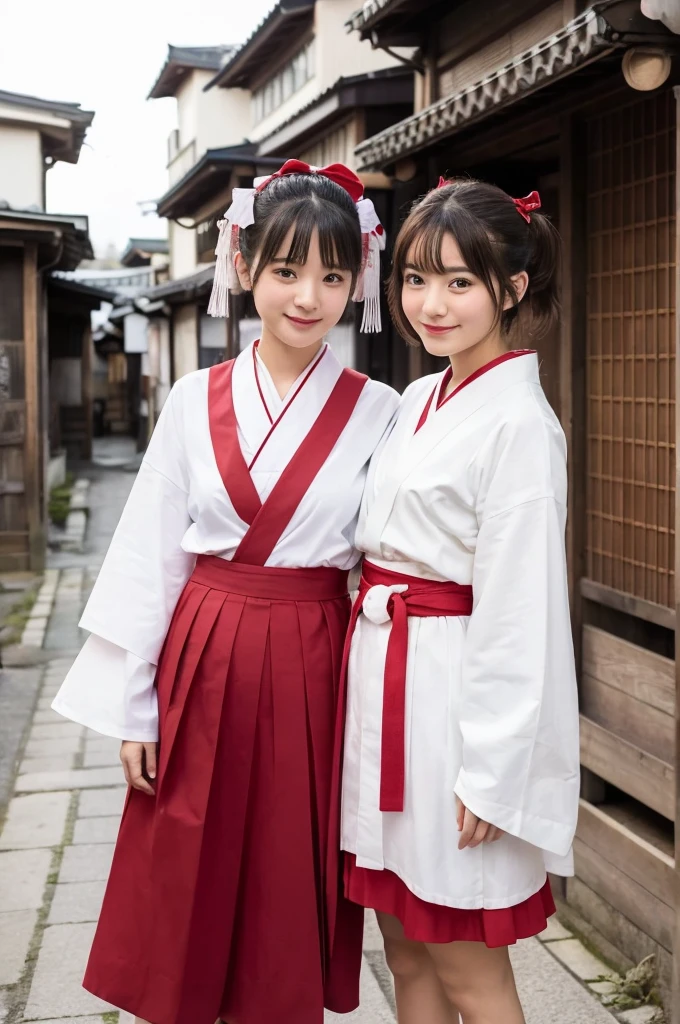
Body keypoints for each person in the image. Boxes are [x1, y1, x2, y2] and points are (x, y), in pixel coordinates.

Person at [52, 160, 399, 1024]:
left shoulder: (381, 409)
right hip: (203, 649)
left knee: (289, 863)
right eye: (285, 271)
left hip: (317, 652)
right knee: (187, 855)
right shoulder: (189, 401)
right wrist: (135, 708)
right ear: (241, 266)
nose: (307, 296)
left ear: (360, 280)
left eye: (331, 274)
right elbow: (149, 556)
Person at [338, 178, 580, 1024]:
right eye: (413, 279)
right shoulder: (416, 400)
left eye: (459, 281)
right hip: (388, 690)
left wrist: (491, 768)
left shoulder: (519, 424)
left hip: (452, 712)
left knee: (471, 968)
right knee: (403, 947)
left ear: (512, 289)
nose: (431, 304)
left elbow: (523, 614)